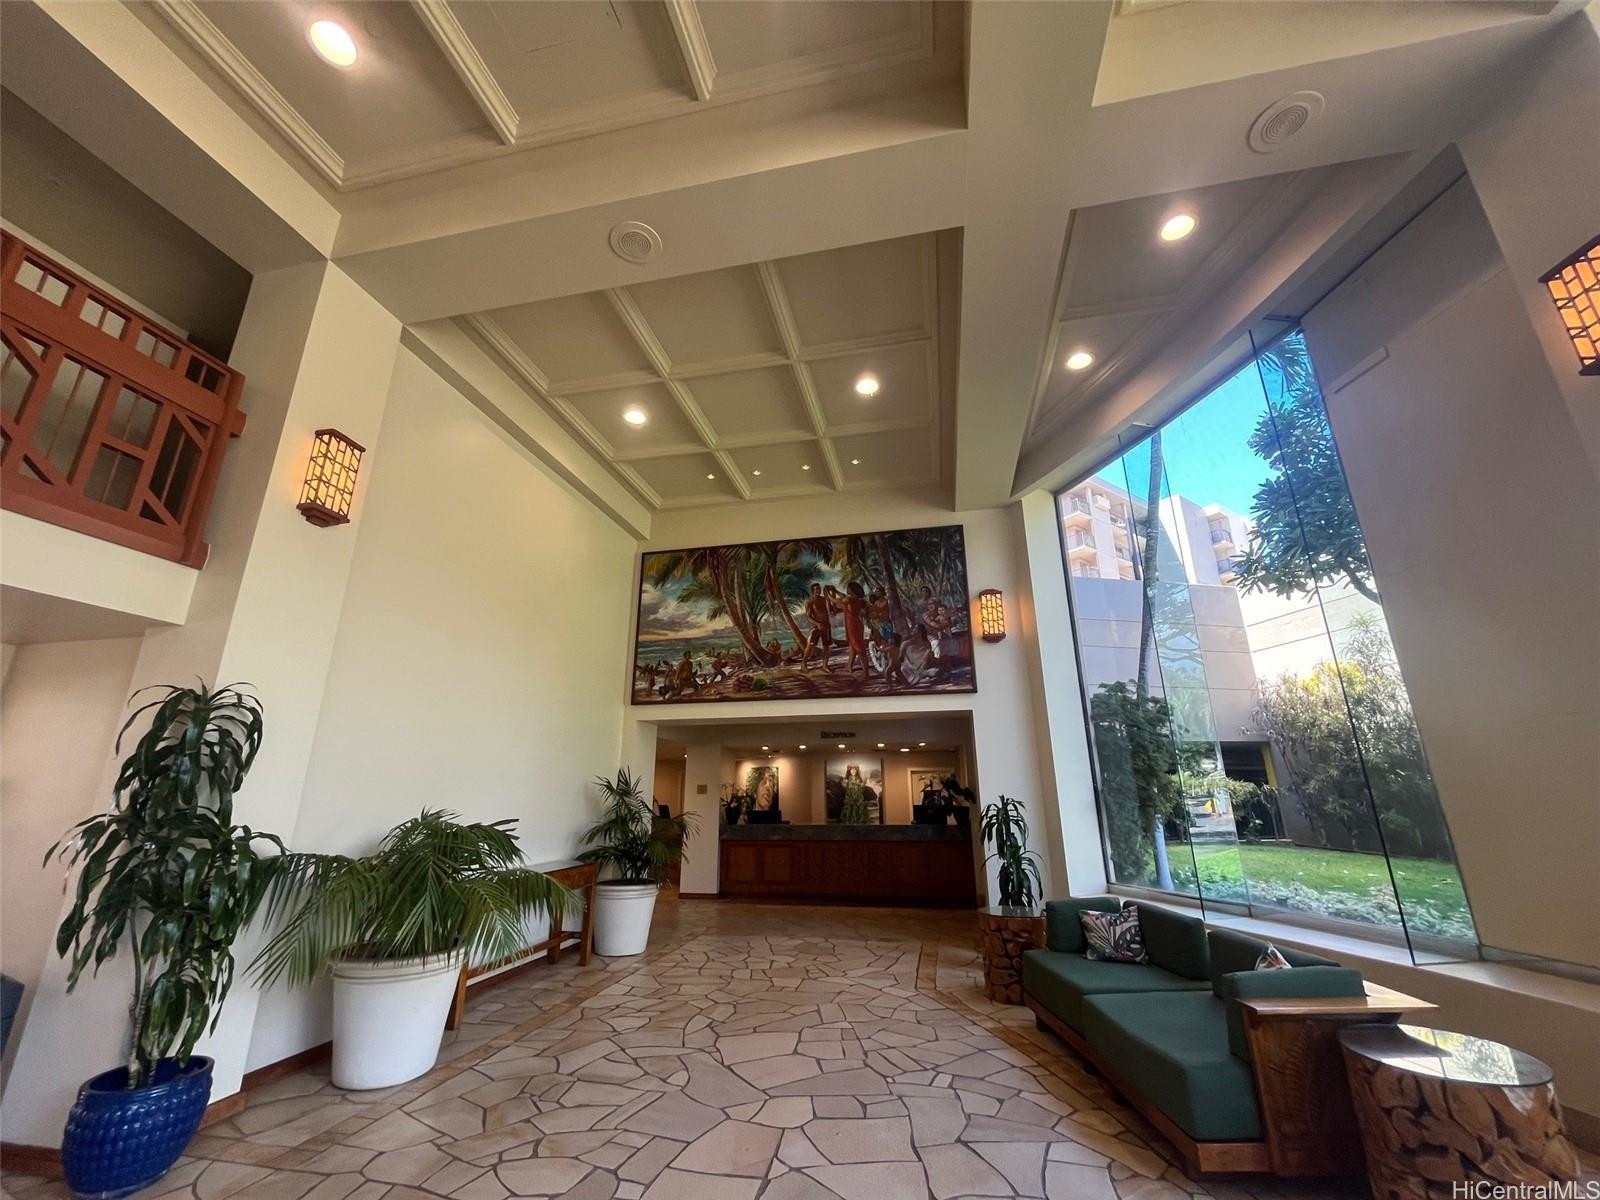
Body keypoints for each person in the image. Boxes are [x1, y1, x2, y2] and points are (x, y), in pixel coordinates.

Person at [800, 583, 835, 674]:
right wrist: (817, 624)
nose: (818, 591)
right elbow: (808, 617)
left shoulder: (824, 599)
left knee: (826, 646)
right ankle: (803, 664)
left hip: (826, 626)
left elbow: (831, 610)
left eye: (819, 589)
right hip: (816, 627)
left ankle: (825, 666)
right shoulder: (810, 601)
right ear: (812, 591)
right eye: (816, 589)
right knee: (810, 645)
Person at [840, 581, 871, 678]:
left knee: (860, 649)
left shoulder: (850, 599)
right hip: (855, 624)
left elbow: (838, 601)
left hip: (853, 626)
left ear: (852, 590)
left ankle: (866, 673)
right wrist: (836, 591)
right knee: (853, 647)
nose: (847, 589)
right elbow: (843, 597)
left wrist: (828, 594)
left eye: (848, 587)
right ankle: (849, 666)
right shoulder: (857, 599)